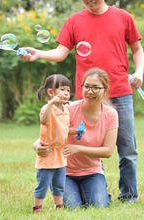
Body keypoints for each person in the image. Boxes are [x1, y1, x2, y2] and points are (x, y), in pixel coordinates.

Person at [21, 0, 144, 203]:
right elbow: (60, 52)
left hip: (120, 92)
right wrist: (38, 53)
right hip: (86, 96)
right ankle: (94, 188)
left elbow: (138, 50)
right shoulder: (74, 21)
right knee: (82, 141)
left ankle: (129, 196)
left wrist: (139, 71)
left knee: (127, 150)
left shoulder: (123, 17)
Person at [34, 68, 118, 209]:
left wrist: (78, 148)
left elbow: (108, 151)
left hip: (92, 172)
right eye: (87, 87)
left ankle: (99, 192)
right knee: (73, 208)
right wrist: (36, 145)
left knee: (98, 206)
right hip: (64, 172)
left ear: (105, 90)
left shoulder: (111, 114)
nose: (90, 92)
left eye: (96, 88)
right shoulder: (68, 109)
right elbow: (47, 132)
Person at [32, 74, 78, 213]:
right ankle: (37, 207)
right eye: (62, 89)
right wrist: (50, 103)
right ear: (50, 92)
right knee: (43, 184)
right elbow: (44, 121)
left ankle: (59, 206)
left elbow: (64, 129)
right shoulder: (47, 108)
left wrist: (76, 131)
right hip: (48, 153)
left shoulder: (65, 110)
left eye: (68, 90)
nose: (66, 93)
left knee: (59, 184)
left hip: (60, 154)